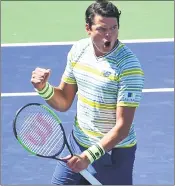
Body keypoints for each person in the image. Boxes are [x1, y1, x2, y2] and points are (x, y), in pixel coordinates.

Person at [31, 0, 144, 184]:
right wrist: (44, 89)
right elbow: (64, 101)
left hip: (112, 154)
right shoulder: (79, 50)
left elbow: (123, 127)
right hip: (78, 144)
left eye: (114, 28)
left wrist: (89, 156)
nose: (109, 36)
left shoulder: (129, 67)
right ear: (88, 28)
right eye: (101, 29)